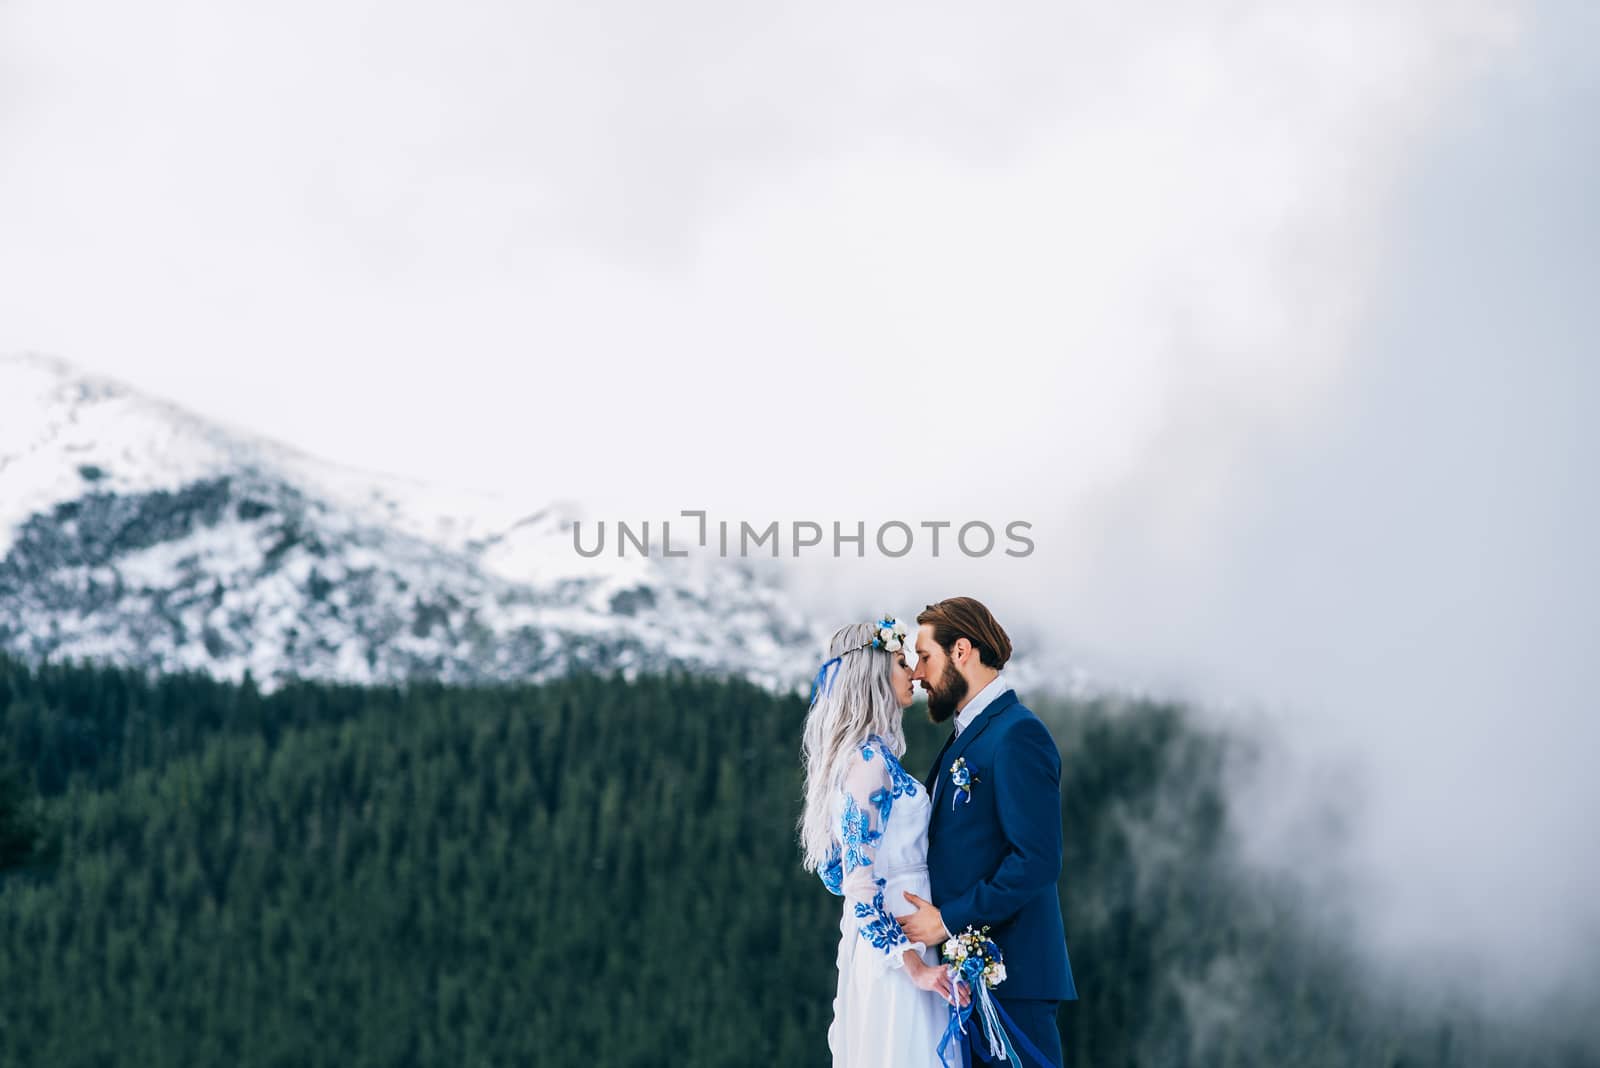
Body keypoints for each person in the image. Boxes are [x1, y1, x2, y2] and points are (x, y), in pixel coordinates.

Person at [896, 596, 1078, 1068]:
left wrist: (948, 919)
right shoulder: (967, 733)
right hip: (965, 980)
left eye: (925, 657)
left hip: (1011, 980)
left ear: (961, 651)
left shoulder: (1018, 734)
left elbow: (1036, 861)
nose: (917, 673)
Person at [799, 617, 968, 1067]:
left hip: (904, 935)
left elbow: (836, 872)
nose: (913, 671)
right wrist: (914, 967)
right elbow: (855, 885)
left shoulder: (868, 759)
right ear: (873, 674)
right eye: (900, 661)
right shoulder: (868, 763)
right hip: (899, 956)